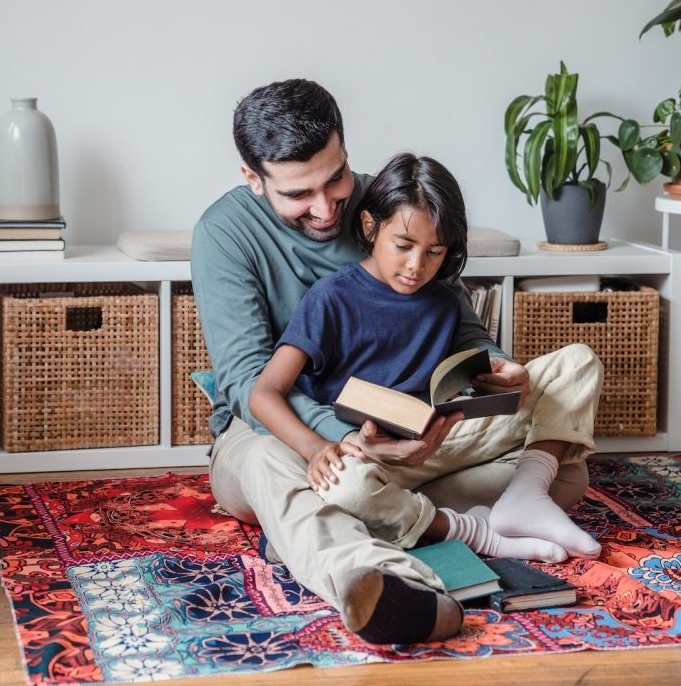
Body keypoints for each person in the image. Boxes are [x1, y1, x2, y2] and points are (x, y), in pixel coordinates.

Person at [191, 78, 603, 646]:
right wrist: (347, 441)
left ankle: (375, 520)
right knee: (275, 467)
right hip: (280, 433)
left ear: (345, 149)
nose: (325, 207)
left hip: (414, 433)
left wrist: (498, 367)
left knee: (568, 469)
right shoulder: (224, 233)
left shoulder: (387, 202)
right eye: (297, 194)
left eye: (335, 179)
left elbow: (455, 317)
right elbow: (247, 384)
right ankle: (399, 587)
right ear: (253, 180)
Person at [250, 152, 598, 566]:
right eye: (404, 246)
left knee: (578, 361)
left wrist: (504, 373)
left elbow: (476, 358)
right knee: (346, 490)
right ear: (370, 226)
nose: (417, 266)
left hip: (445, 437)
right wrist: (316, 447)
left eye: (434, 251)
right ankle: (474, 531)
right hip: (374, 455)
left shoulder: (446, 295)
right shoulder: (330, 298)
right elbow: (264, 393)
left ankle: (527, 494)